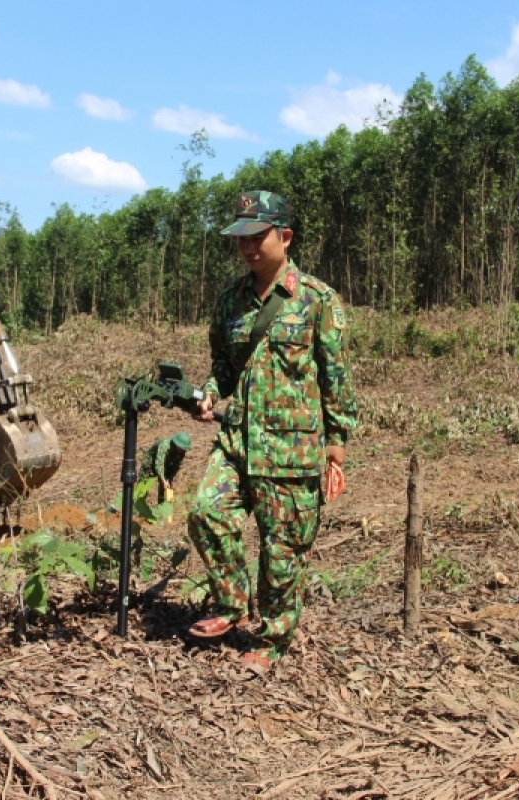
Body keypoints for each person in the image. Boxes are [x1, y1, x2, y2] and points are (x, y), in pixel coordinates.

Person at [187, 190, 357, 670]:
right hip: (238, 441)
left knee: (282, 551)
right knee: (206, 513)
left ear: (285, 237)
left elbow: (335, 377)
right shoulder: (230, 301)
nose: (247, 248)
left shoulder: (318, 301)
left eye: (257, 237)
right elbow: (223, 364)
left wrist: (336, 450)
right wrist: (209, 392)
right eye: (240, 238)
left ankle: (273, 640)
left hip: (292, 449)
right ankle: (233, 604)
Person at [139, 432, 192, 503]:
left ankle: (162, 509)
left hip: (166, 465)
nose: (183, 451)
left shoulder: (182, 452)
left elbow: (176, 467)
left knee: (166, 487)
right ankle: (136, 508)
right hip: (150, 464)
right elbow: (159, 464)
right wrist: (163, 480)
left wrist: (168, 479)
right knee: (143, 487)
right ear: (177, 445)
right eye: (182, 448)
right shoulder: (165, 445)